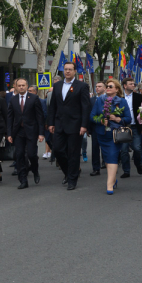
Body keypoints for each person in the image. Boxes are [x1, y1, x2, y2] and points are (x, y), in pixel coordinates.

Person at [47, 62, 91, 190]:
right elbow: (52, 106)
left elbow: (85, 107)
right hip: (59, 124)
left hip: (75, 125)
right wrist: (50, 123)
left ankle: (72, 180)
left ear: (74, 71)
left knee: (73, 153)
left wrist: (84, 125)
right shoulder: (57, 85)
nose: (67, 72)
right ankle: (68, 172)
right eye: (65, 69)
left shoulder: (82, 86)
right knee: (58, 150)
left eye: (70, 69)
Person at [89, 80, 132, 194]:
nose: (107, 87)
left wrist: (118, 119)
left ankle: (109, 185)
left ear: (117, 89)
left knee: (112, 156)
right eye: (107, 86)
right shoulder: (99, 100)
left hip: (115, 135)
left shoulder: (122, 101)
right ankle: (113, 179)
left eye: (110, 86)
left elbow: (128, 118)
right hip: (102, 134)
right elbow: (92, 116)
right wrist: (101, 120)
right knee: (108, 158)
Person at [7, 78, 44, 189]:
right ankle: (23, 180)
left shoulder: (34, 98)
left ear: (27, 86)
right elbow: (9, 118)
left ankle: (35, 170)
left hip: (31, 130)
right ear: (16, 87)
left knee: (32, 155)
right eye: (19, 85)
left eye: (23, 85)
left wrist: (41, 133)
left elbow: (40, 116)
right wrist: (9, 134)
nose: (21, 87)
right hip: (18, 132)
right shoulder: (13, 99)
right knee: (19, 155)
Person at [119, 77, 142, 179]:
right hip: (123, 127)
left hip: (135, 126)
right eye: (131, 84)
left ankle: (138, 164)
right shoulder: (119, 97)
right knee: (124, 150)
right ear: (125, 86)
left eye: (134, 83)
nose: (133, 85)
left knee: (137, 148)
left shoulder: (138, 97)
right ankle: (126, 170)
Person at [88, 81, 106, 177]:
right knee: (95, 148)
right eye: (96, 86)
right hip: (95, 127)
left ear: (104, 88)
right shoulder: (91, 100)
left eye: (99, 86)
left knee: (106, 146)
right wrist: (88, 128)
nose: (97, 88)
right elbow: (89, 114)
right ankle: (96, 168)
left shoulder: (108, 99)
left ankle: (107, 162)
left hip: (107, 127)